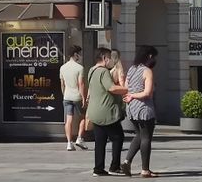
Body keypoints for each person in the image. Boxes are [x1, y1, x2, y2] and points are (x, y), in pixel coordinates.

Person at [87, 47, 128, 177]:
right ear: (104, 58)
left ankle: (98, 169)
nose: (111, 61)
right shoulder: (103, 72)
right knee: (118, 137)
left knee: (100, 141)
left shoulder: (91, 70)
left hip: (94, 111)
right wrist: (127, 89)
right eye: (109, 58)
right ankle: (114, 167)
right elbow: (111, 88)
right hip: (106, 112)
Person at [121, 45, 159, 178]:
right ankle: (145, 169)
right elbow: (147, 93)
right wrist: (134, 95)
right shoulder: (147, 71)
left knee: (139, 135)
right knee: (146, 138)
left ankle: (127, 161)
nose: (154, 59)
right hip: (144, 109)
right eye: (154, 56)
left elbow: (126, 87)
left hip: (131, 109)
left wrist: (130, 95)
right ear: (149, 56)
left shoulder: (132, 69)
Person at [59, 45, 88, 151]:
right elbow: (81, 84)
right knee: (83, 117)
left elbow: (62, 84)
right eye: (79, 54)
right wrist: (84, 97)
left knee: (69, 120)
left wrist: (64, 94)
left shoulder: (62, 67)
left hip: (67, 96)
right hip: (77, 97)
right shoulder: (80, 68)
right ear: (76, 54)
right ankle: (79, 138)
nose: (80, 56)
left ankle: (69, 143)